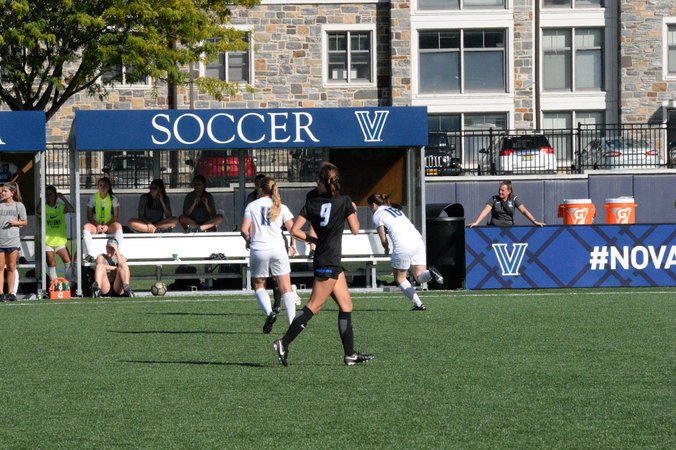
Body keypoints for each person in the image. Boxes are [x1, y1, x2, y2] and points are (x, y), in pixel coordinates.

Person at [273, 163, 373, 367]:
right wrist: (352, 210)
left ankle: (350, 354)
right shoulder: (344, 200)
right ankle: (283, 343)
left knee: (346, 305)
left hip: (326, 257)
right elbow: (355, 229)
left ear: (320, 180)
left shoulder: (312, 202)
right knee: (313, 306)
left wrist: (314, 240)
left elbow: (294, 231)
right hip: (330, 259)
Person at [241, 176, 299, 333]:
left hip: (259, 249)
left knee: (259, 285)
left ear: (260, 189)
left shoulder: (252, 205)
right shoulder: (281, 206)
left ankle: (269, 313)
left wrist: (248, 240)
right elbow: (293, 230)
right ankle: (292, 324)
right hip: (278, 249)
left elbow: (244, 230)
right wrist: (293, 244)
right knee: (286, 287)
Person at [367, 193, 444, 310]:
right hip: (418, 241)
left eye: (369, 207)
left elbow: (383, 238)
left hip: (403, 245)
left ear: (373, 205)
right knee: (419, 276)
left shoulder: (377, 215)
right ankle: (430, 273)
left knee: (400, 278)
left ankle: (419, 304)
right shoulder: (395, 210)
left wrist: (386, 249)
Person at [468, 180, 545, 228]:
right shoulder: (494, 199)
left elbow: (524, 211)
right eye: (499, 190)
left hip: (509, 228)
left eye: (502, 190)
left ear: (509, 191)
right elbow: (485, 211)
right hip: (494, 228)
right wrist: (476, 222)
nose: (500, 192)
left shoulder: (514, 199)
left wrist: (534, 221)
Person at [82, 177, 124, 261]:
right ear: (98, 187)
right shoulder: (93, 197)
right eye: (100, 185)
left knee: (118, 226)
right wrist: (97, 225)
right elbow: (89, 216)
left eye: (105, 186)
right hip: (96, 226)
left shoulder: (113, 198)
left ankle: (118, 253)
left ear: (108, 187)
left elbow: (115, 216)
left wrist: (106, 225)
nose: (102, 188)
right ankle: (90, 254)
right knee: (86, 227)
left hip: (108, 225)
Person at [41, 185, 75, 282]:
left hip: (60, 240)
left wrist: (63, 198)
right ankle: (55, 285)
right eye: (46, 194)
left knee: (68, 262)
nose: (48, 196)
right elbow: (38, 211)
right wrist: (42, 200)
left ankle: (69, 284)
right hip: (47, 241)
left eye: (50, 194)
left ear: (55, 195)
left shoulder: (60, 206)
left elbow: (71, 209)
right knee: (51, 264)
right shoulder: (44, 207)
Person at [0, 182, 27, 302]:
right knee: (0, 267)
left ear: (12, 192)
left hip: (12, 240)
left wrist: (15, 223)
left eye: (5, 191)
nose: (3, 193)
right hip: (0, 241)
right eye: (2, 191)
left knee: (11, 267)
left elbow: (24, 222)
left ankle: (11, 293)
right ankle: (1, 293)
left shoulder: (18, 205)